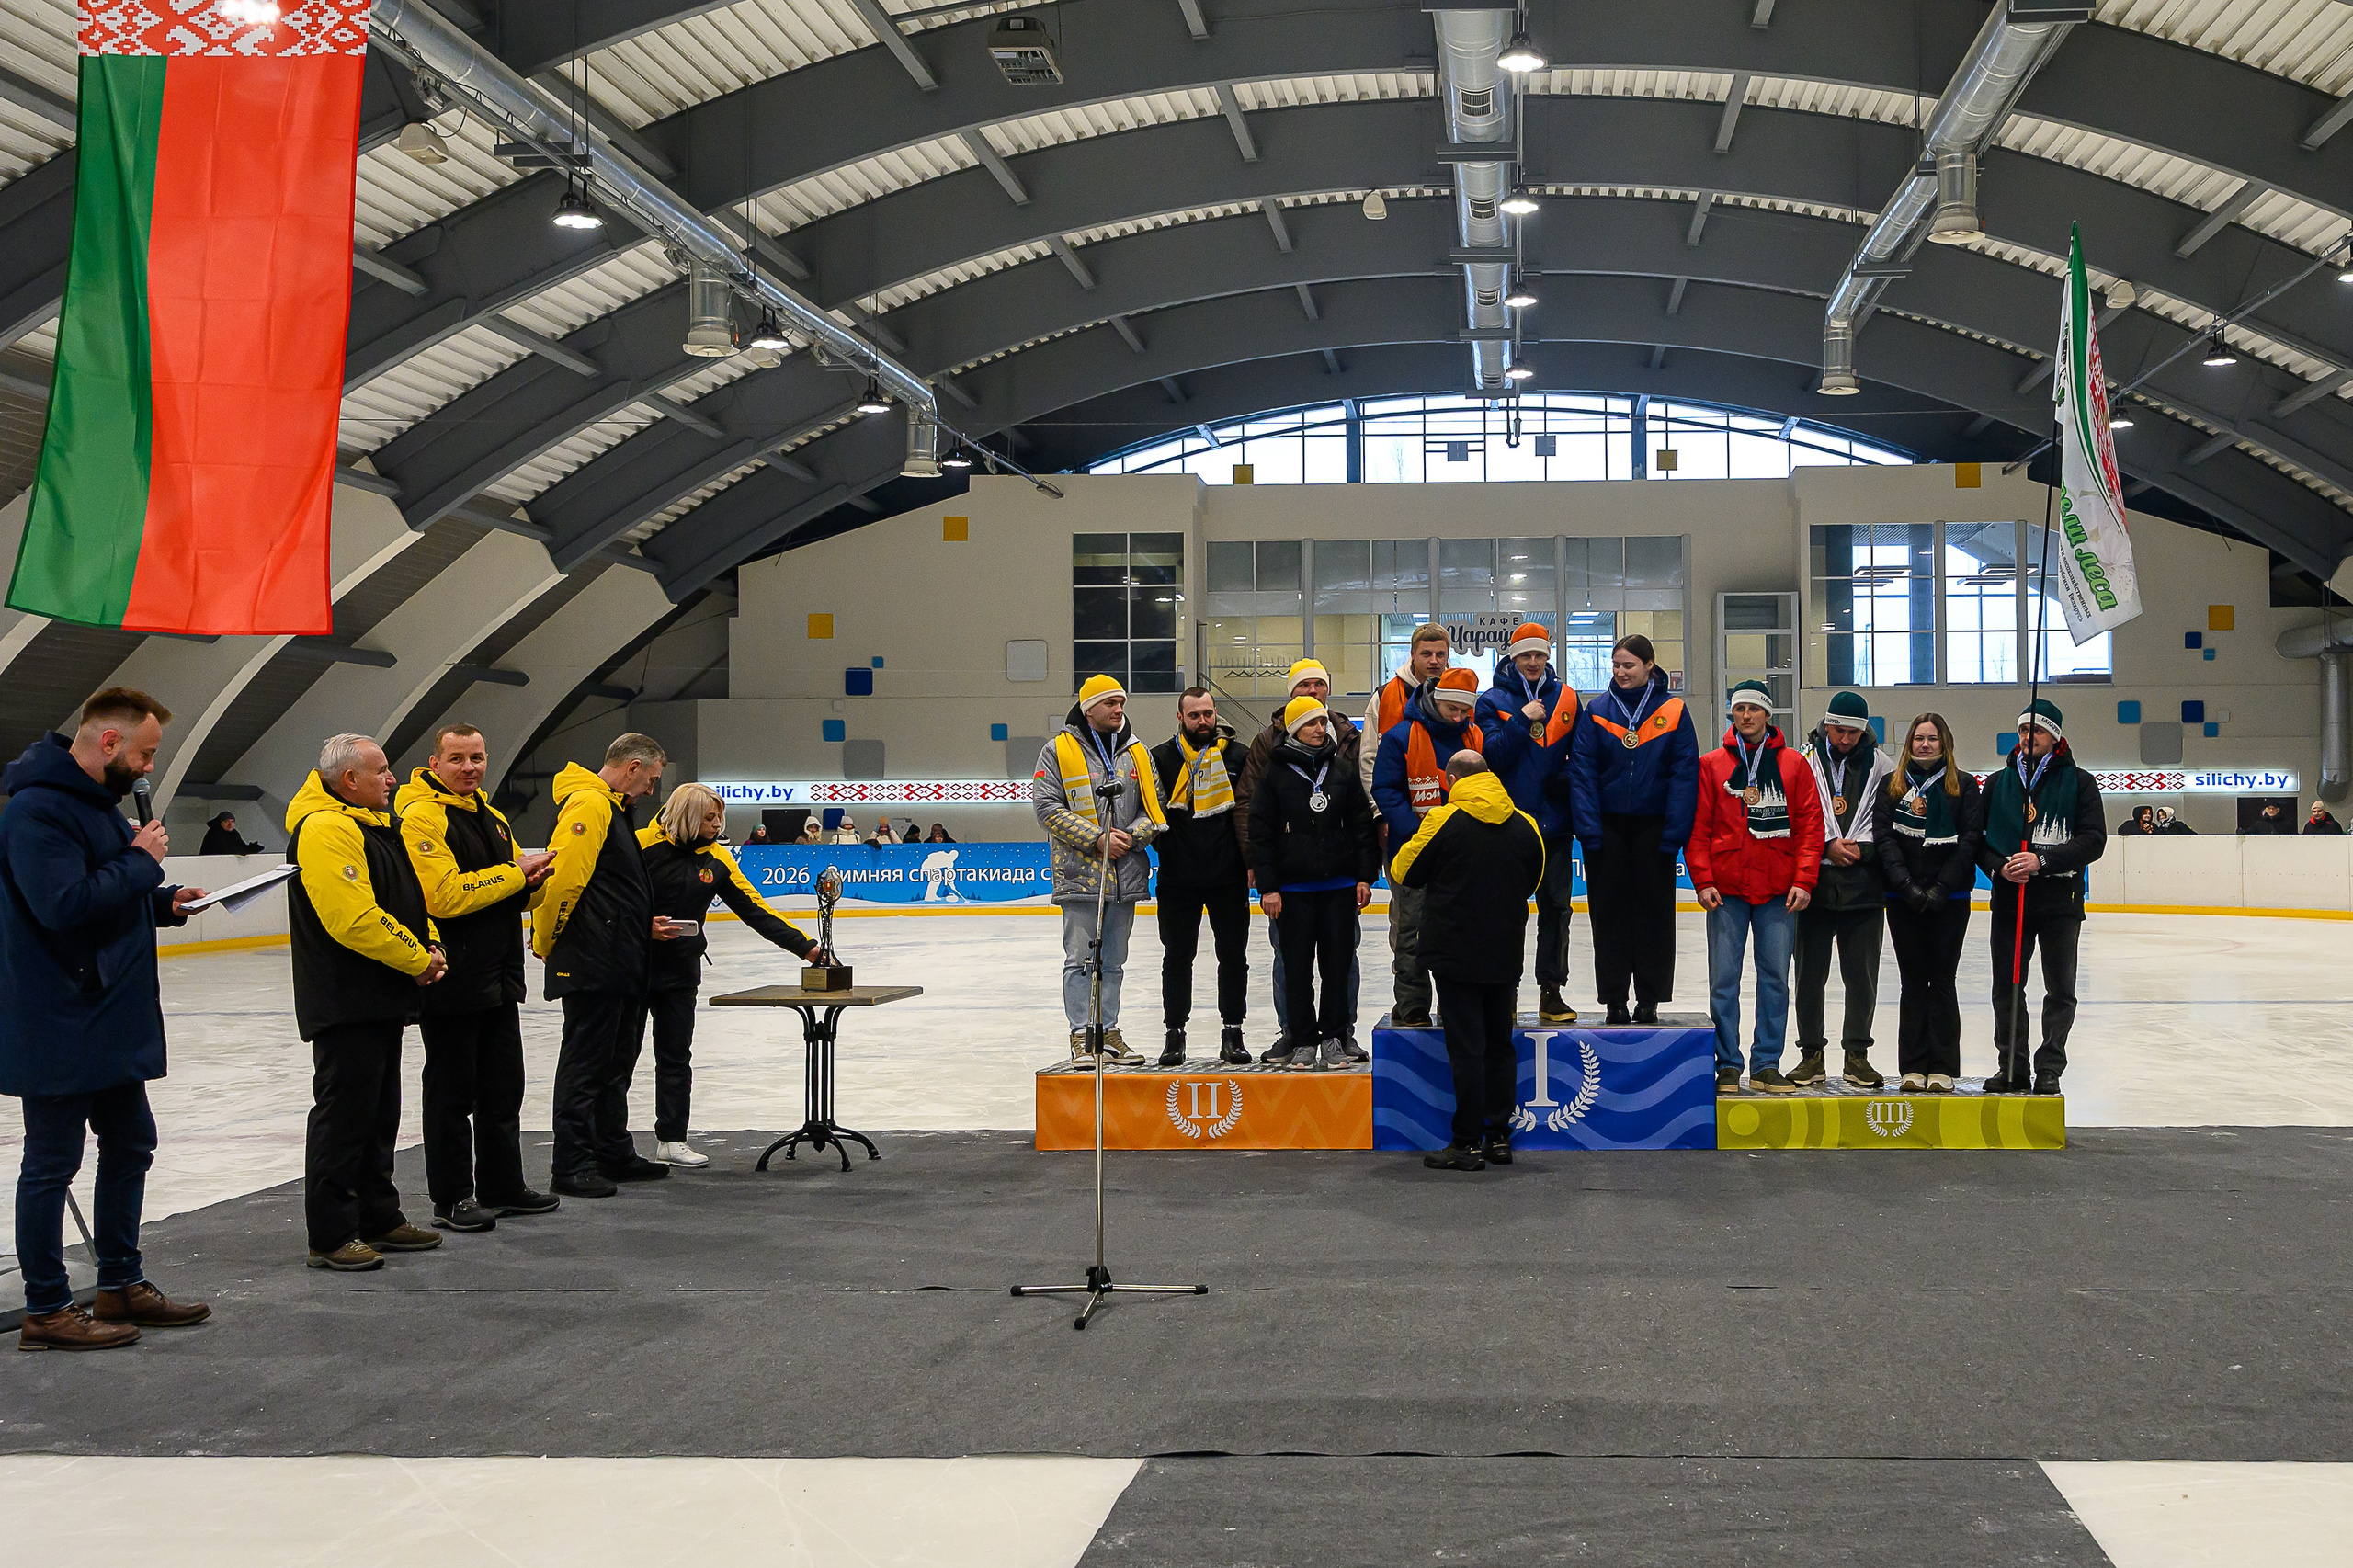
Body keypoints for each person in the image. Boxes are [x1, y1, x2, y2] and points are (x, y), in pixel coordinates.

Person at [3, 688, 210, 1350]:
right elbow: (63, 905)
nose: (149, 769)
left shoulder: (99, 809)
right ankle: (46, 1308)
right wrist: (138, 861)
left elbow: (112, 896)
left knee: (131, 1145)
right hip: (60, 1018)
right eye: (146, 753)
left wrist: (163, 902)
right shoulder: (37, 810)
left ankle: (121, 1280)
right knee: (51, 1164)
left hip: (110, 1013)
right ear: (110, 743)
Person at [287, 734, 447, 1272]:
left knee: (379, 1114)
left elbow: (406, 897)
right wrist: (415, 958)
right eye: (381, 771)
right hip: (344, 998)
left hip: (378, 996)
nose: (392, 779)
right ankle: (331, 1234)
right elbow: (352, 918)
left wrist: (429, 946)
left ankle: (379, 1214)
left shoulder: (374, 824)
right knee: (345, 1117)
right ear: (349, 780)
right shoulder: (327, 828)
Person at [395, 724, 559, 1233]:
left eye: (478, 757)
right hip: (453, 976)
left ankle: (502, 1185)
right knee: (451, 1093)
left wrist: (531, 884)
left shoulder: (490, 814)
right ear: (435, 762)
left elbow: (503, 890)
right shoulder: (422, 815)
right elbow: (442, 897)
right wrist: (515, 876)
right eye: (458, 758)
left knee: (502, 1087)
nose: (470, 767)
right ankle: (451, 1197)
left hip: (499, 974)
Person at [635, 783, 817, 1165]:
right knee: (619, 1057)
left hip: (680, 971)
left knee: (675, 1057)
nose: (718, 824)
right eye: (709, 817)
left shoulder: (718, 859)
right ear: (686, 816)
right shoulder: (639, 845)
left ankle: (671, 1139)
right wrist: (642, 926)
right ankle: (608, 1142)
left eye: (720, 817)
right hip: (630, 966)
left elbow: (756, 911)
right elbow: (605, 898)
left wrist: (807, 947)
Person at [1392, 753, 1546, 1172]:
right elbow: (1533, 880)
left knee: (1467, 1049)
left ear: (1453, 778)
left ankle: (1466, 1143)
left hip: (1454, 950)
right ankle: (1499, 1139)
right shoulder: (1525, 824)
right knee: (1499, 1045)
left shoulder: (1444, 818)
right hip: (1504, 949)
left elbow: (1405, 871)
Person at [536, 733, 668, 1197]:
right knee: (586, 1065)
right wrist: (546, 938)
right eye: (651, 779)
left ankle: (611, 1150)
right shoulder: (590, 807)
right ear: (632, 767)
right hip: (593, 959)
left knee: (617, 1062)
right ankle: (571, 1164)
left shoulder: (612, 808)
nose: (652, 790)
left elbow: (606, 887)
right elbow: (563, 878)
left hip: (618, 956)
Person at [1687, 682, 1823, 1095]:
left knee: (1775, 979)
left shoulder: (1794, 765)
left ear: (1768, 715)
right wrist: (1703, 879)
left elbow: (1810, 829)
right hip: (1726, 890)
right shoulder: (1712, 765)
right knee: (1723, 980)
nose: (1745, 716)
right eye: (1738, 709)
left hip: (1778, 891)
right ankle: (1727, 1063)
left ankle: (1766, 1063)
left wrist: (1804, 879)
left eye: (1753, 709)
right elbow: (1699, 829)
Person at [1565, 634, 1700, 1024]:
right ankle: (1614, 1000)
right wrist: (1589, 831)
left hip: (1653, 829)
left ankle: (1650, 999)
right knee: (1608, 916)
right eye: (1616, 665)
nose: (1621, 672)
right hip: (1606, 829)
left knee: (1653, 915)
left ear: (1649, 666)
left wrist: (1673, 833)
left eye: (1629, 665)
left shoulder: (1673, 710)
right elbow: (1583, 773)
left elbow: (1684, 773)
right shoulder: (1597, 710)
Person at [1034, 674, 1166, 1066]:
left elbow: (1155, 805)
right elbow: (1047, 808)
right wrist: (1097, 838)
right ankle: (1081, 1034)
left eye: (1121, 703)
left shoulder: (1137, 752)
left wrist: (1131, 835)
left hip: (1124, 876)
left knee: (1114, 962)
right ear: (1090, 708)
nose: (1119, 709)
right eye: (1111, 703)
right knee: (1080, 958)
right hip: (1080, 874)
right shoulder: (1055, 751)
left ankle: (1108, 1031)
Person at [1977, 699, 2106, 1095]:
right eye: (2023, 730)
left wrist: (2042, 860)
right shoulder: (1999, 784)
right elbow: (1978, 841)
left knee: (2060, 988)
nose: (2028, 737)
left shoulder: (2080, 782)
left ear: (2055, 737)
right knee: (2008, 986)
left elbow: (2093, 841)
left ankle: (2049, 1066)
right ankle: (2012, 1066)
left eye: (2037, 731)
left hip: (2059, 903)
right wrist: (2000, 866)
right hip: (2010, 901)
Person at [1236, 658, 1364, 1054]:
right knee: (1293, 966)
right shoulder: (1271, 764)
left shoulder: (1343, 765)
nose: (1319, 727)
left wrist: (1363, 874)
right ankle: (1298, 1036)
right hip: (1292, 887)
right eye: (1310, 722)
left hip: (1339, 884)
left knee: (1340, 964)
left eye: (1322, 720)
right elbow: (1258, 825)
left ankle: (1338, 1035)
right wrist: (1266, 881)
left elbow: (1360, 824)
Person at [1476, 622, 1582, 1024]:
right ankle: (1506, 990)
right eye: (1526, 655)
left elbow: (1584, 758)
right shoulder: (1491, 702)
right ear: (1512, 657)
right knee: (1506, 913)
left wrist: (1567, 781)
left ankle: (1551, 992)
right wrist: (1521, 719)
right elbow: (1495, 756)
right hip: (1508, 827)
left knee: (1556, 910)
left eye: (1539, 654)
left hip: (1555, 827)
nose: (1533, 662)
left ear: (1548, 656)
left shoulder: (1569, 698)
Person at [1874, 712, 1984, 1093]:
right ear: (1908, 744)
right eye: (1919, 738)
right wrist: (1905, 885)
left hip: (1949, 900)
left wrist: (1940, 888)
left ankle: (1942, 1067)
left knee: (1942, 981)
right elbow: (1885, 841)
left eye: (1933, 738)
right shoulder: (1891, 786)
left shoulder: (1964, 787)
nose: (1925, 744)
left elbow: (1970, 842)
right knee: (1912, 982)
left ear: (1945, 743)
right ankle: (1912, 1067)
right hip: (1902, 899)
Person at [1371, 665, 1484, 1032]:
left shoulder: (1474, 738)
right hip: (1414, 851)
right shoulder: (1400, 737)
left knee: (1461, 933)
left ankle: (1458, 1002)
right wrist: (1420, 833)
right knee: (1411, 931)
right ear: (1436, 701)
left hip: (1462, 855)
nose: (1457, 717)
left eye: (1463, 711)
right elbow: (1386, 790)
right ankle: (1413, 1003)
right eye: (1452, 709)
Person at [1790, 692, 1892, 1090]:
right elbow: (1796, 814)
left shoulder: (1883, 766)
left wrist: (1861, 849)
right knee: (1809, 977)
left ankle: (1857, 1056)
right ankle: (1810, 1055)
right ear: (1825, 725)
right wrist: (1826, 846)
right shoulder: (1804, 760)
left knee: (1861, 978)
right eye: (1838, 730)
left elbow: (1886, 823)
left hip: (1864, 887)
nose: (1845, 739)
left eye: (1853, 732)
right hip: (1813, 886)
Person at [1149, 687, 1253, 1066]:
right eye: (1194, 716)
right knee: (1177, 957)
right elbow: (1152, 813)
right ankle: (1174, 1034)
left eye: (1208, 713)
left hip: (1229, 877)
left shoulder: (1238, 756)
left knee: (1233, 957)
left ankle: (1233, 1033)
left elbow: (1247, 815)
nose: (1203, 722)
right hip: (1178, 879)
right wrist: (1171, 852)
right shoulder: (1159, 758)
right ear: (1180, 718)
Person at [1358, 622, 1454, 796]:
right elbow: (1369, 758)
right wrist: (1379, 811)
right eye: (1426, 654)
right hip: (1397, 803)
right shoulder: (1384, 696)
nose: (1434, 660)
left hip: (1452, 804)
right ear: (1412, 655)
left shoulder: (1459, 695)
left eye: (1440, 654)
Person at [197, 812, 263, 856]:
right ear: (220, 823)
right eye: (226, 822)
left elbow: (240, 847)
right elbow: (224, 850)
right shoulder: (215, 832)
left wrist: (251, 848)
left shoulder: (234, 833)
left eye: (232, 821)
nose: (230, 824)